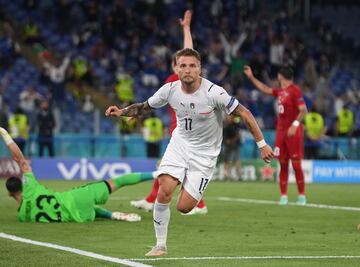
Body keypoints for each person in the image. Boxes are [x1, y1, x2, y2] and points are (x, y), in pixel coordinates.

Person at [105, 48, 273, 256]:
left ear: (200, 69)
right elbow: (144, 107)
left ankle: (186, 181)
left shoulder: (214, 93)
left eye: (192, 65)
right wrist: (121, 112)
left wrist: (262, 144)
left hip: (205, 155)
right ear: (176, 68)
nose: (187, 70)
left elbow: (245, 113)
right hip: (180, 145)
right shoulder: (169, 90)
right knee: (164, 188)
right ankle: (160, 245)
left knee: (184, 207)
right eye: (183, 65)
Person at [130, 10, 208, 216]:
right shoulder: (172, 81)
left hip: (187, 131)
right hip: (179, 129)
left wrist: (186, 29)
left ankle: (156, 201)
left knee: (170, 168)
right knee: (173, 169)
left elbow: (188, 49)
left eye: (185, 64)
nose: (183, 67)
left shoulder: (181, 79)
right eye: (180, 64)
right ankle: (197, 204)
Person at [0, 127, 154, 223]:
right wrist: (5, 134)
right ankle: (156, 174)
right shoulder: (30, 187)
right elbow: (20, 160)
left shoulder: (23, 217)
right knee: (118, 182)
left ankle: (113, 215)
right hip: (75, 198)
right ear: (22, 184)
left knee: (89, 209)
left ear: (9, 193)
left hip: (77, 218)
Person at [244, 65, 307, 205]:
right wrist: (251, 77)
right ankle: (283, 196)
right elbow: (265, 89)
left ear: (280, 76)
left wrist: (295, 125)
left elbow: (303, 110)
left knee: (296, 165)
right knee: (283, 164)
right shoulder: (281, 91)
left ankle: (301, 196)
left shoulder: (295, 91)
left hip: (293, 132)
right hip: (281, 133)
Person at [223, 115, 242, 180]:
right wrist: (226, 141)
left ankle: (239, 176)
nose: (228, 119)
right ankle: (227, 175)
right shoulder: (225, 126)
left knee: (236, 160)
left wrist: (231, 141)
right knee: (227, 160)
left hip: (235, 145)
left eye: (230, 117)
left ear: (232, 118)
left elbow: (238, 135)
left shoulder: (236, 125)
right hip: (227, 146)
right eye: (228, 117)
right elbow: (223, 137)